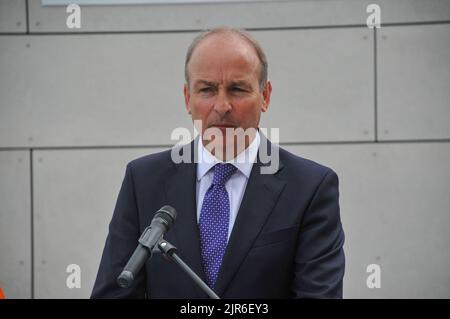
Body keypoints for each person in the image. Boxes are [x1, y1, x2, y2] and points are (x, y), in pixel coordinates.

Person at [91, 27, 345, 299]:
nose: (222, 106)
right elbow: (114, 293)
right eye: (207, 89)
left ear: (265, 96)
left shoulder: (310, 188)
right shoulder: (143, 181)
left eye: (237, 89)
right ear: (188, 99)